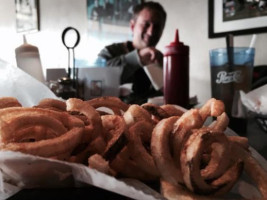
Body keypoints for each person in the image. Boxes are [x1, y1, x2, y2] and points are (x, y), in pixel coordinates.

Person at [98, 1, 166, 104]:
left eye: (157, 27)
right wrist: (137, 58)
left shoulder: (164, 61)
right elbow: (96, 80)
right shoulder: (109, 52)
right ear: (132, 26)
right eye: (146, 24)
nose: (151, 32)